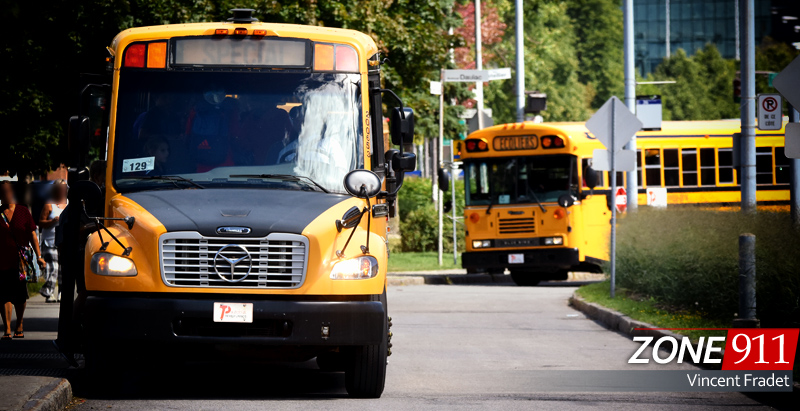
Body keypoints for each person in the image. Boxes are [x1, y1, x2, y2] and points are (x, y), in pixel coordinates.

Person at [0, 181, 45, 339]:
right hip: (2, 261)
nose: (6, 194)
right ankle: (6, 329)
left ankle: (19, 323)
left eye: (7, 191)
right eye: (2, 192)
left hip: (21, 262)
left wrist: (39, 257)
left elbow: (33, 235)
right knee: (4, 295)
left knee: (20, 296)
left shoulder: (23, 211)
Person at [38, 180, 68, 303]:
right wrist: (53, 221)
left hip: (64, 241)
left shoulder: (68, 204)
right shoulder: (49, 204)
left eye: (63, 189)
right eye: (59, 189)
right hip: (50, 241)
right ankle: (48, 292)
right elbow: (40, 223)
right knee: (53, 268)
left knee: (62, 269)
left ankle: (61, 292)